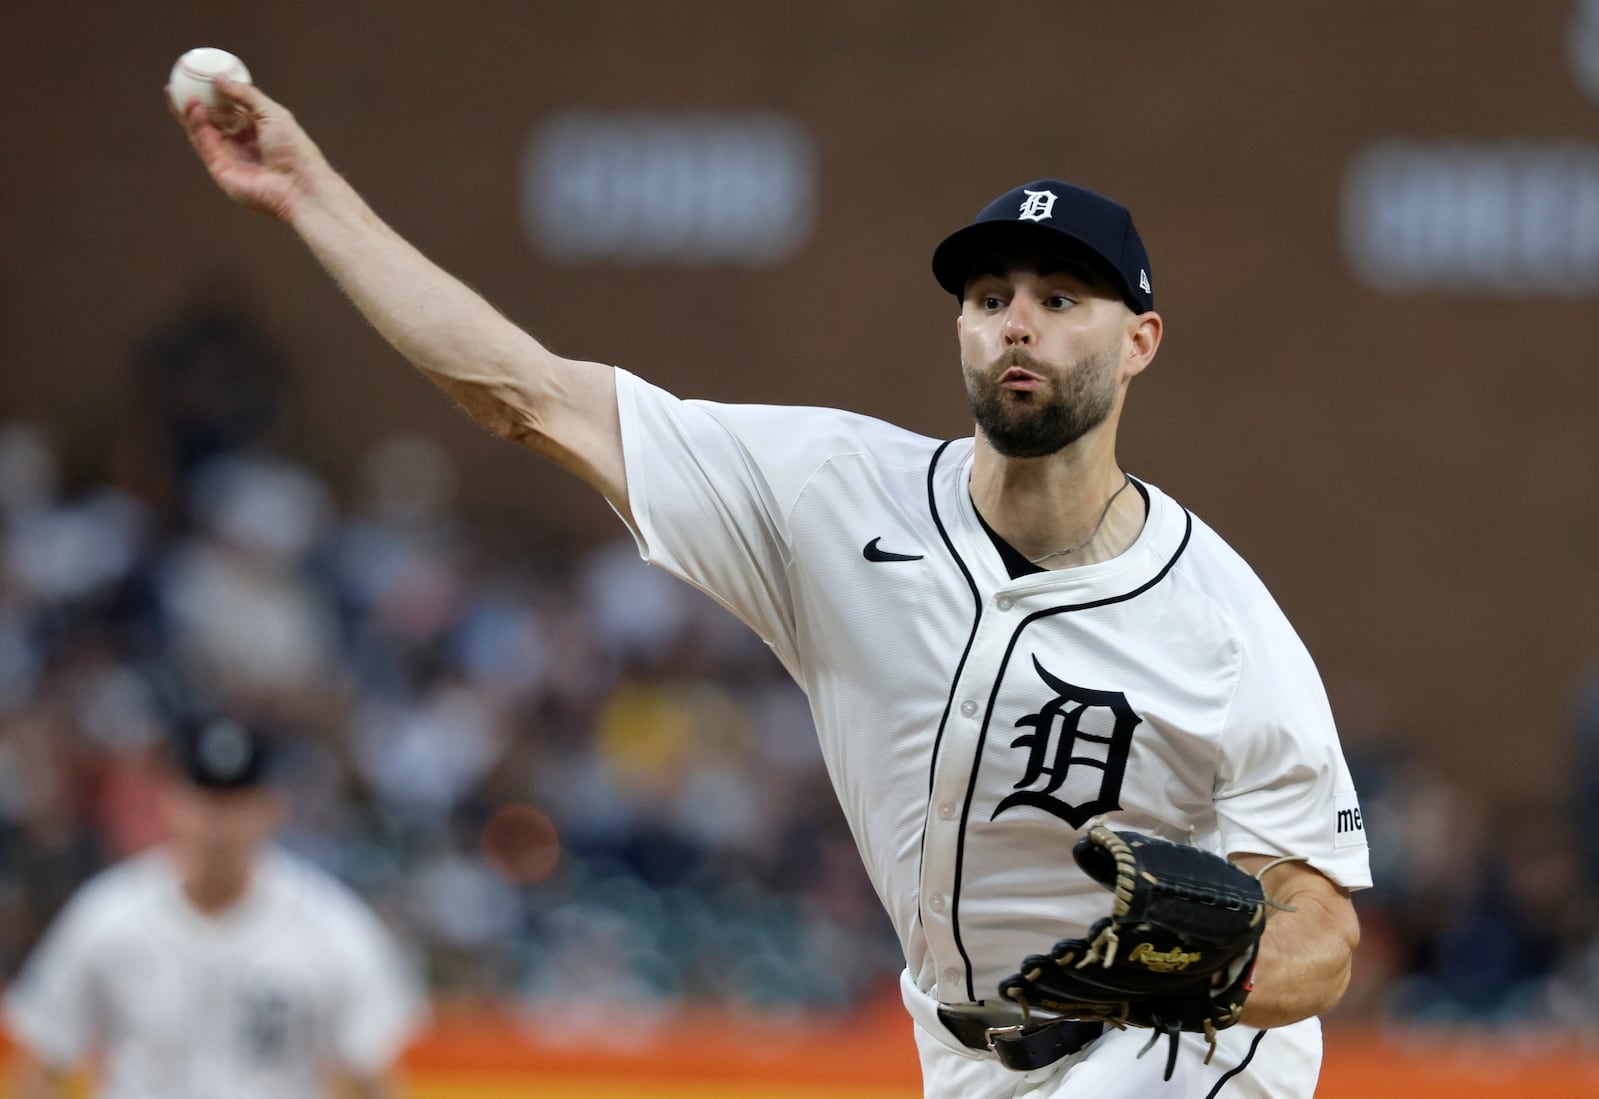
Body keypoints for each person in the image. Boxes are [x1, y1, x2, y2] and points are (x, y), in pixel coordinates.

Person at [168, 76, 1370, 1098]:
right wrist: (307, 192)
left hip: (1171, 1053)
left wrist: (1222, 976)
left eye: (1062, 300)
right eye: (991, 296)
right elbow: (524, 392)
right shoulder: (831, 494)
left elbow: (1322, 928)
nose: (1020, 325)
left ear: (1138, 340)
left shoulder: (1219, 623)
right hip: (959, 1050)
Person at [4, 715, 427, 1099]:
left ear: (270, 807)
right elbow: (46, 1062)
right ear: (170, 800)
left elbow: (371, 1076)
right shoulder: (109, 914)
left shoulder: (330, 923)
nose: (217, 823)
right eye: (203, 800)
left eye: (235, 803)